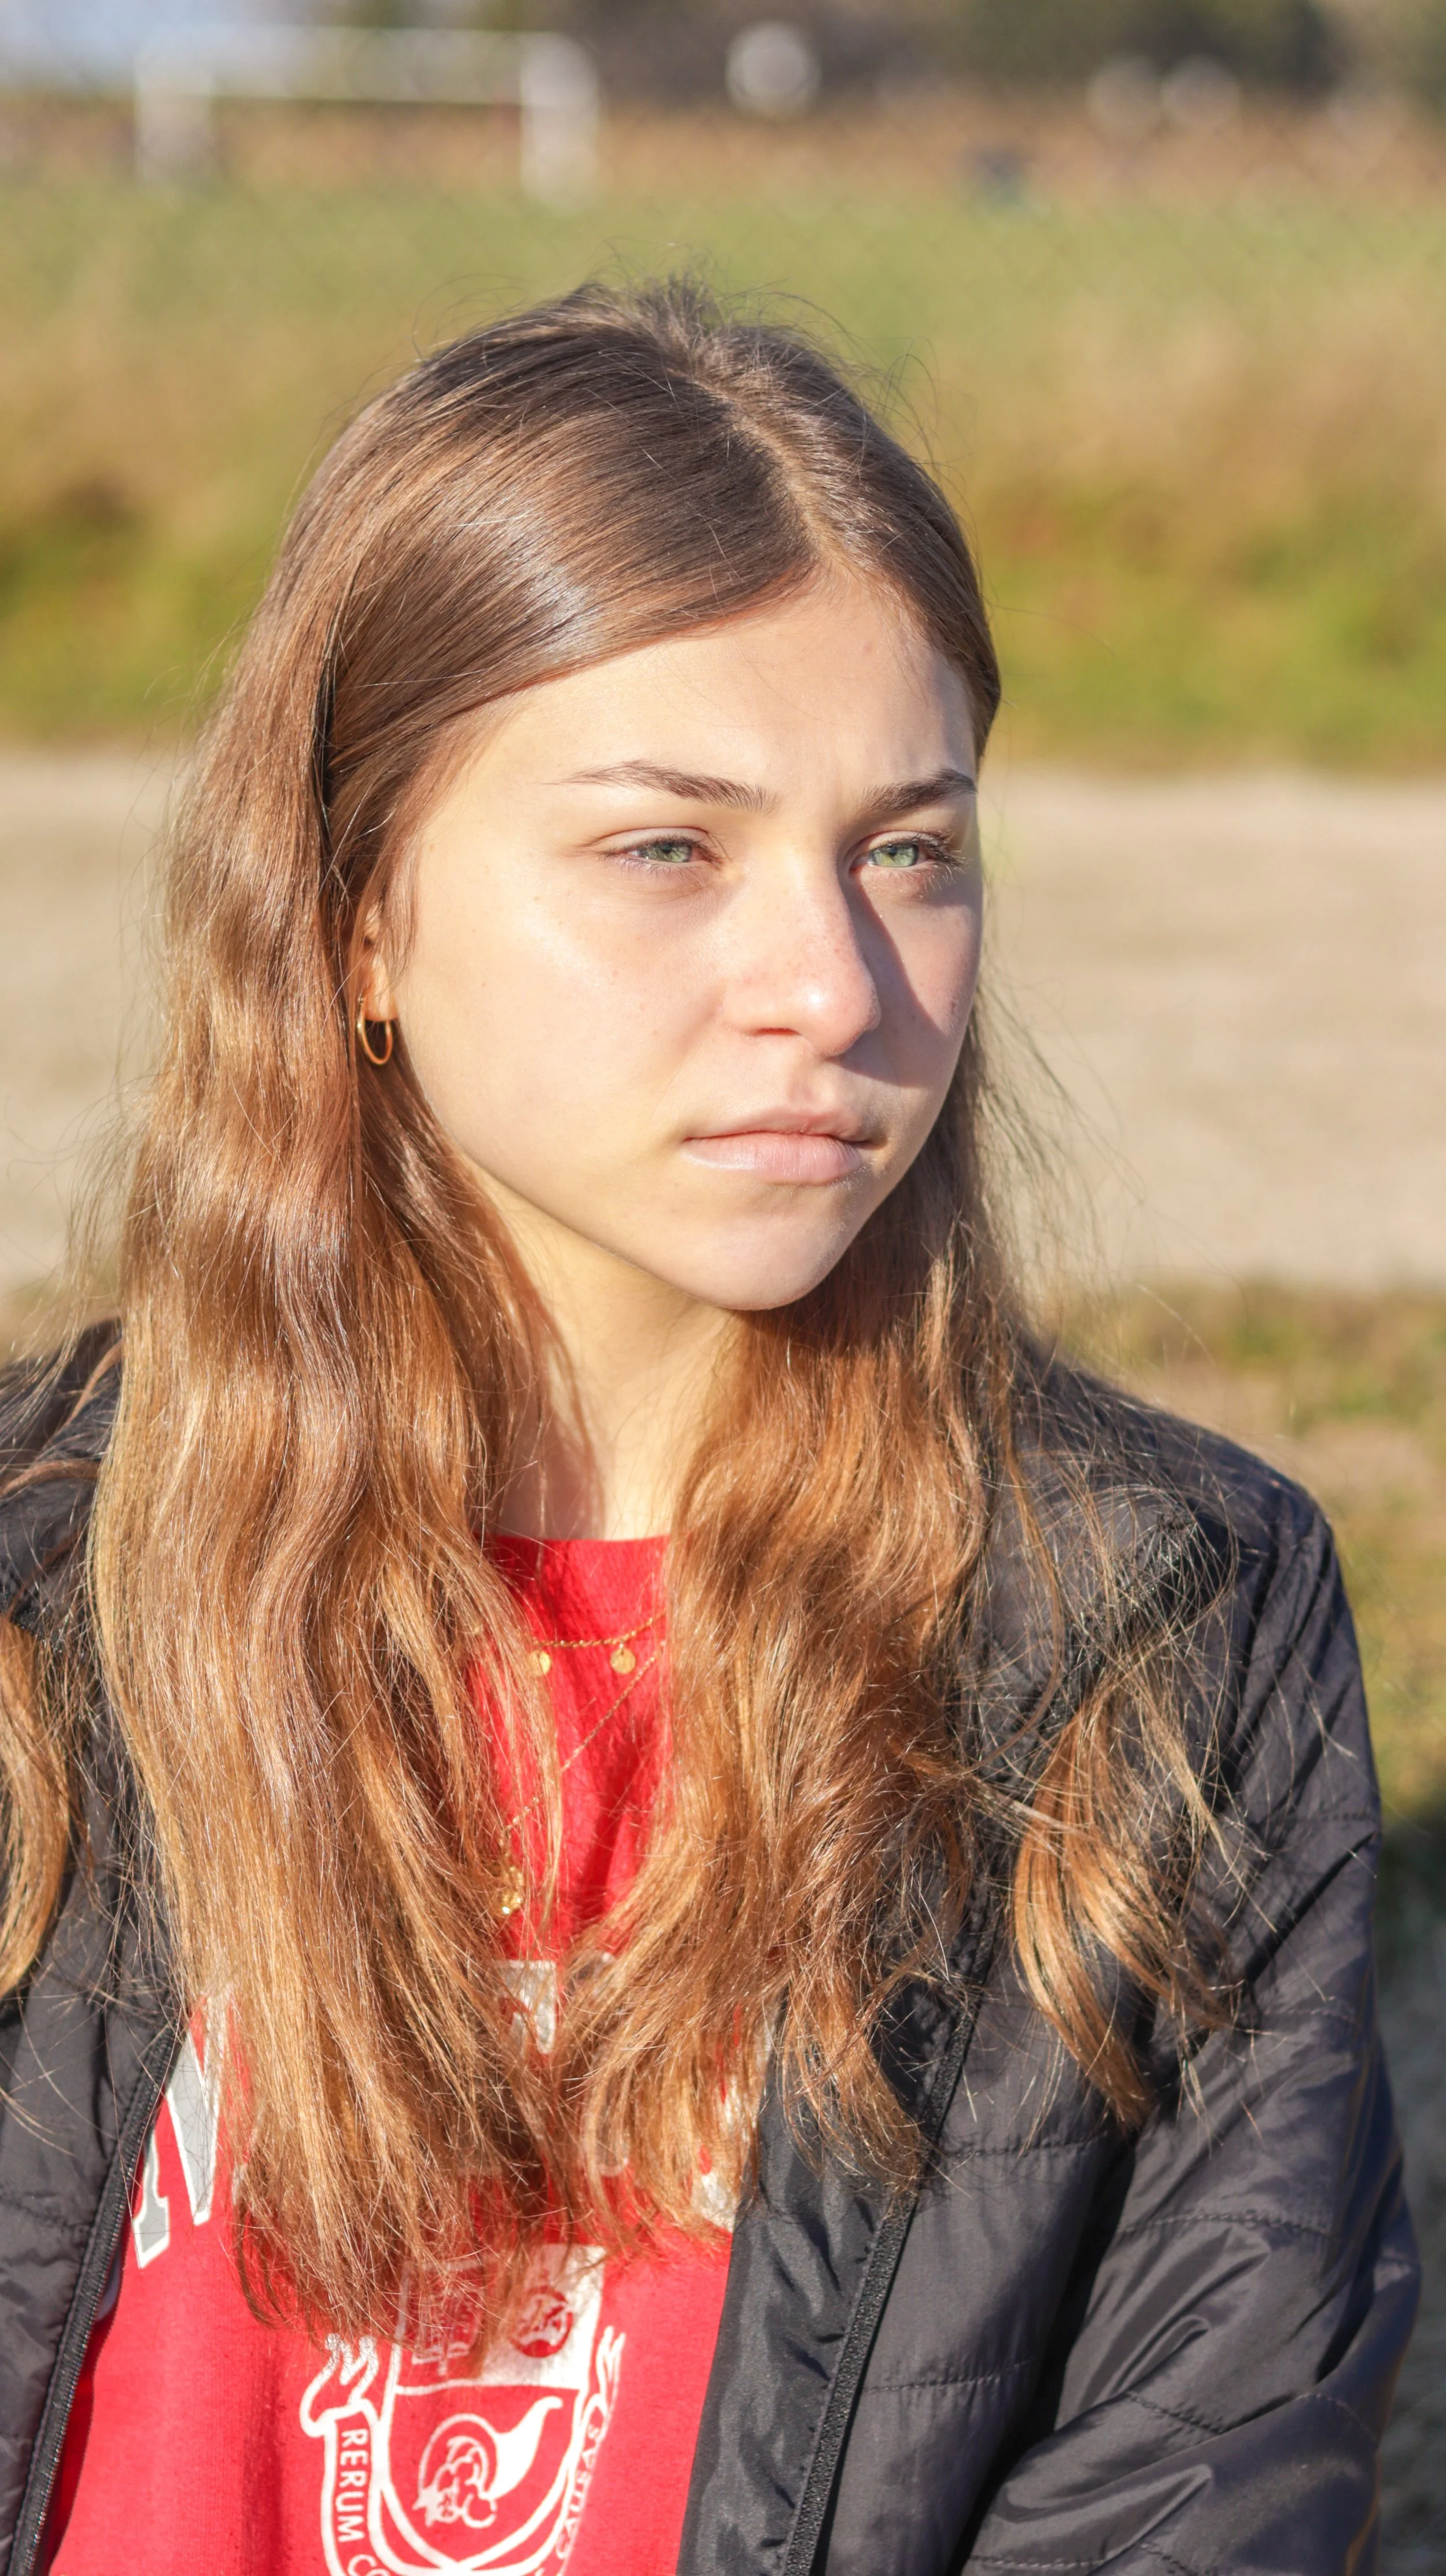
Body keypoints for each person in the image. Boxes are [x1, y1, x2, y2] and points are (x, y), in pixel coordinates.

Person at [0, 278, 1416, 2576]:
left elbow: (1202, 2481)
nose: (836, 992)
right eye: (668, 849)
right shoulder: (42, 1595)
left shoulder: (1158, 1622)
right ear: (359, 910)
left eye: (911, 850)